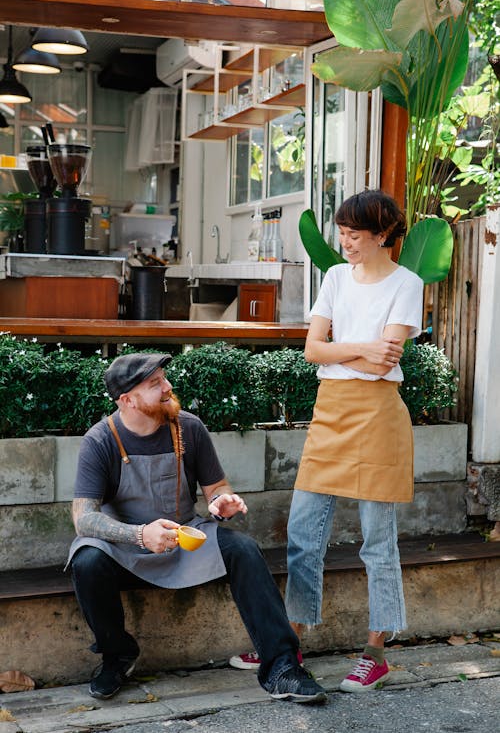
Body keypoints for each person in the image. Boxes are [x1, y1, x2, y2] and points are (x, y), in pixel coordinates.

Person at [230, 189, 423, 691]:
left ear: (382, 236)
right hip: (330, 412)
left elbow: (388, 361)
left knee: (378, 543)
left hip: (379, 415)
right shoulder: (335, 277)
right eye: (341, 234)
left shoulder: (407, 284)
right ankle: (287, 642)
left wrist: (345, 351)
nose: (345, 243)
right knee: (302, 535)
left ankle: (376, 652)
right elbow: (314, 350)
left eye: (354, 236)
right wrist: (358, 346)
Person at [67, 352, 327, 705]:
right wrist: (140, 534)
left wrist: (222, 502)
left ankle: (282, 667)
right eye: (154, 383)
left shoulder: (188, 427)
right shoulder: (100, 441)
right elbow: (83, 518)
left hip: (185, 541)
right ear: (127, 400)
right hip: (125, 547)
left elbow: (217, 487)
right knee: (86, 561)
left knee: (244, 551)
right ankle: (117, 655)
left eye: (164, 378)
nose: (168, 387)